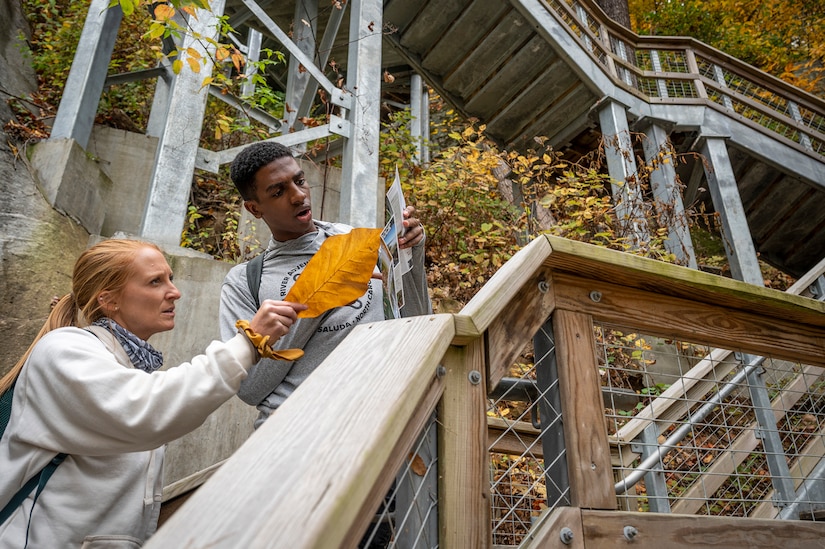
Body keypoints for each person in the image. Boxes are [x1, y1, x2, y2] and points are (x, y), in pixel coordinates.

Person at [0, 238, 305, 548]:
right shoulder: (62, 351)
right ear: (109, 300)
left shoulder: (128, 370)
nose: (175, 291)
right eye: (155, 281)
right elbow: (146, 409)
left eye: (170, 278)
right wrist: (247, 343)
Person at [219, 142, 431, 429]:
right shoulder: (244, 281)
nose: (298, 196)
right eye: (278, 191)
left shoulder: (355, 239)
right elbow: (249, 388)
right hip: (299, 432)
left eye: (300, 181)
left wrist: (413, 253)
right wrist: (322, 291)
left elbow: (416, 324)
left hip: (385, 418)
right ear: (254, 208)